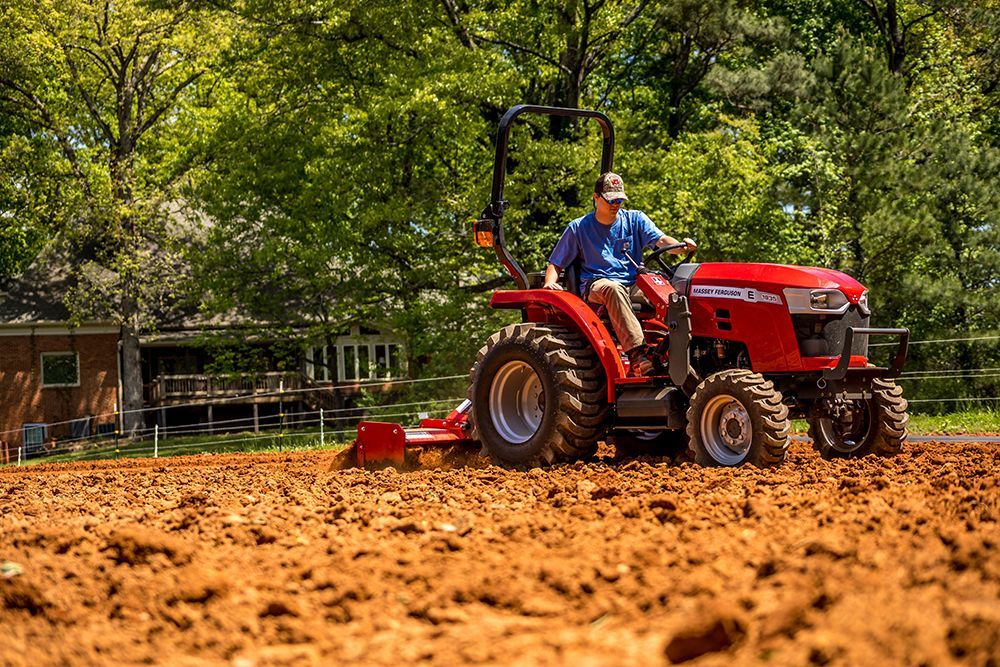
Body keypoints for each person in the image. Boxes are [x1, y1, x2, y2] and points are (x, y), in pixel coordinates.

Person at [544, 172, 697, 377]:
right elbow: (556, 263)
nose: (616, 204)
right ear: (596, 198)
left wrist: (681, 247)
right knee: (613, 289)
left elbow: (661, 241)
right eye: (611, 200)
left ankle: (688, 347)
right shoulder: (578, 228)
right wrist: (549, 283)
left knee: (674, 293)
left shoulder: (635, 219)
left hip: (633, 282)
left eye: (619, 199)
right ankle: (638, 355)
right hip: (597, 284)